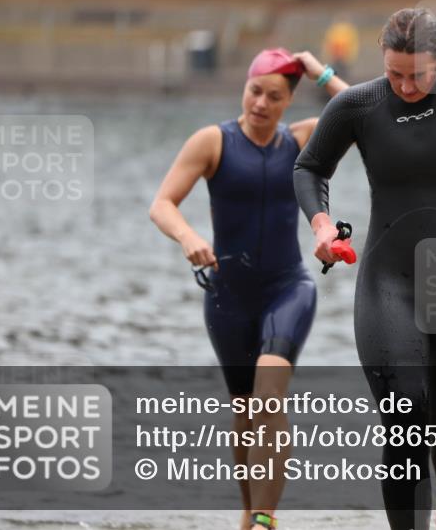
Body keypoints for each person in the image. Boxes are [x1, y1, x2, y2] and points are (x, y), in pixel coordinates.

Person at [294, 6, 436, 530]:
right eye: (395, 73)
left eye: (417, 72)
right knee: (405, 416)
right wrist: (321, 225)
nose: (406, 85)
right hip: (388, 279)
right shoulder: (357, 104)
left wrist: (431, 27)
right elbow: (310, 166)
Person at [149, 48, 349, 530]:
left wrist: (318, 70)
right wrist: (189, 236)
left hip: (288, 287)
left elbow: (363, 110)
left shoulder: (302, 139)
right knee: (244, 413)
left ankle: (265, 518)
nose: (260, 103)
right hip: (228, 297)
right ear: (245, 86)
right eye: (254, 90)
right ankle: (248, 512)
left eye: (274, 96)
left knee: (268, 398)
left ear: (288, 100)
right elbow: (162, 204)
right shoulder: (212, 142)